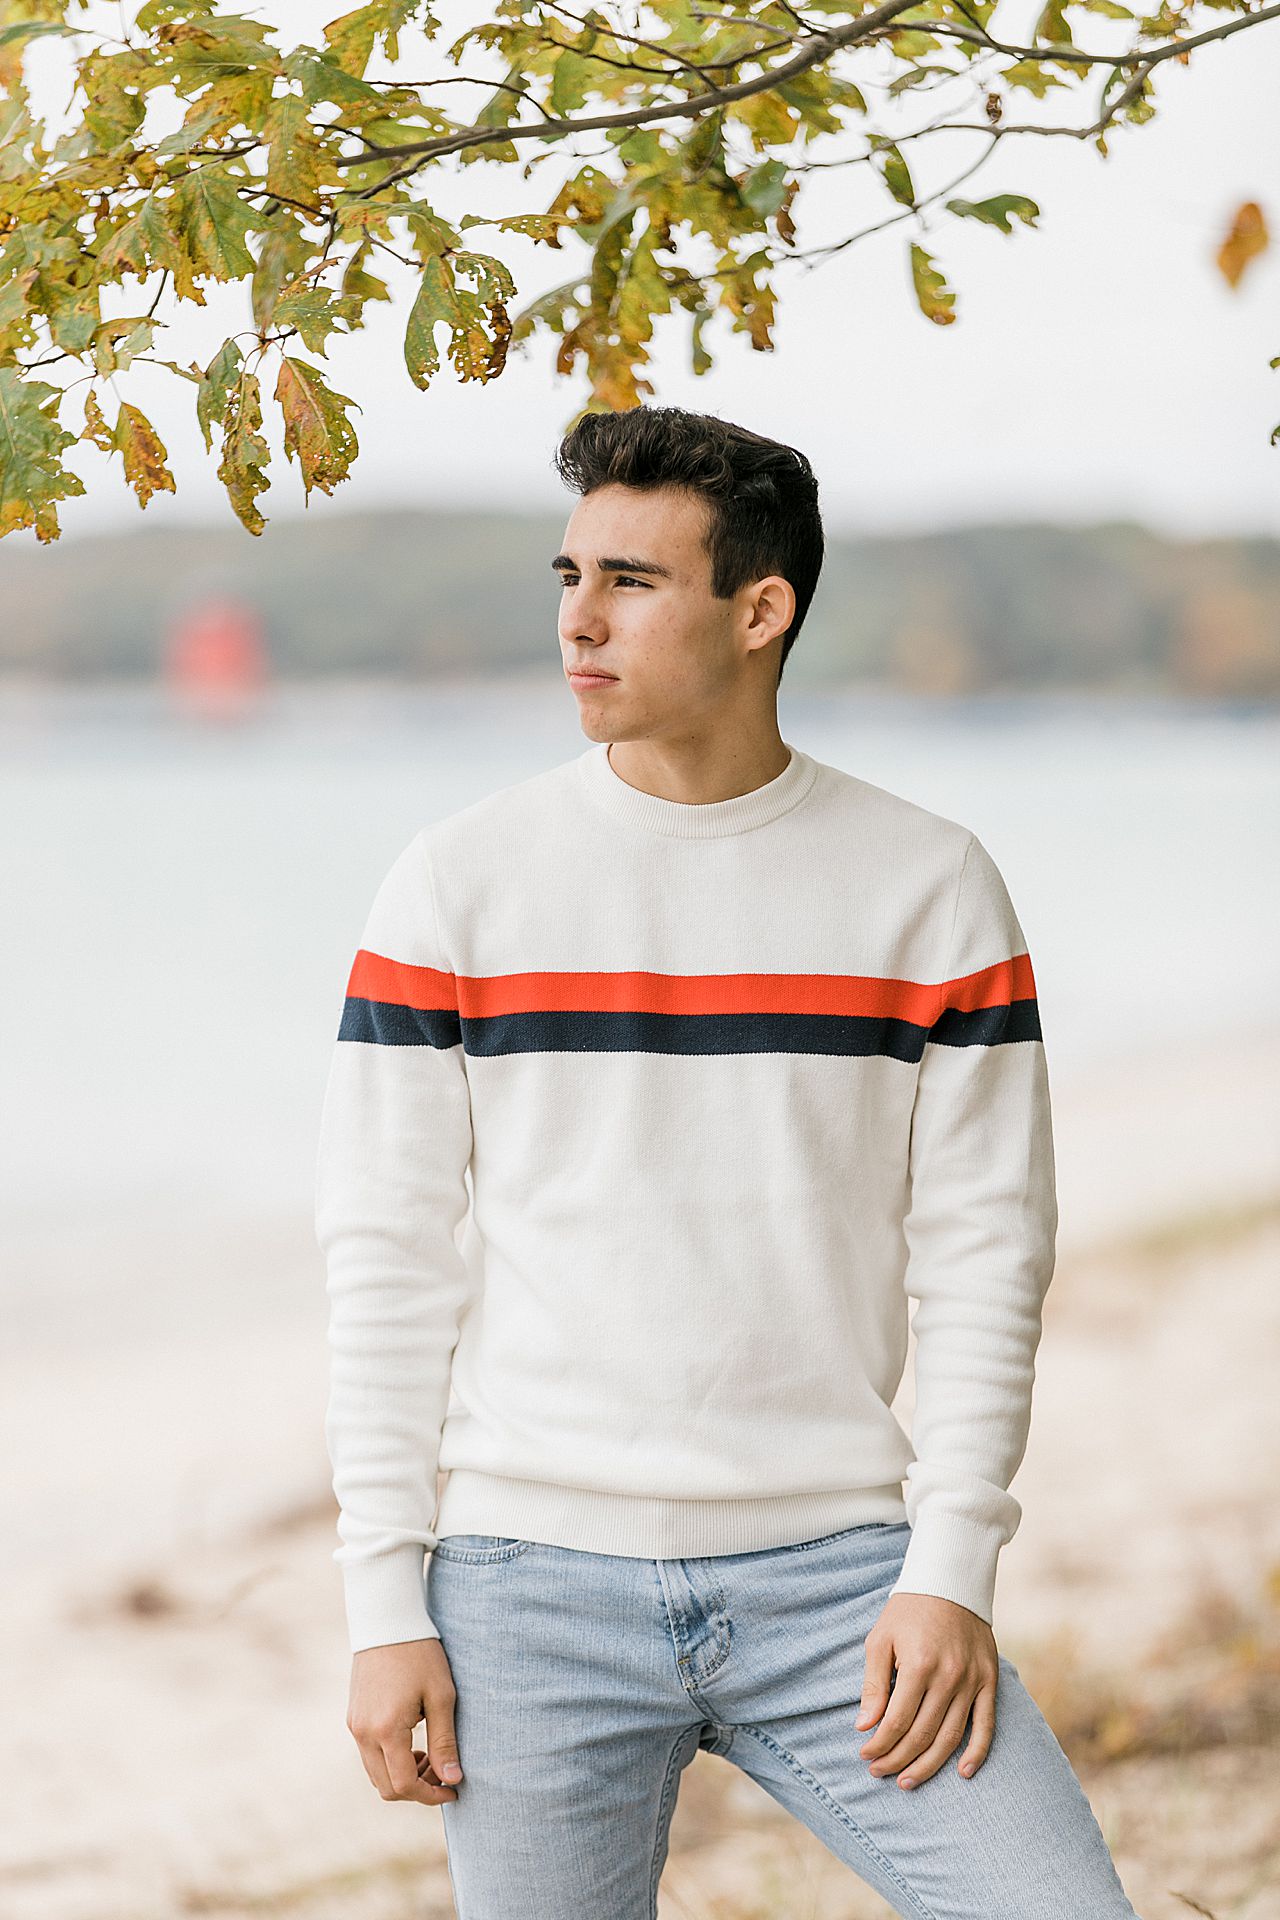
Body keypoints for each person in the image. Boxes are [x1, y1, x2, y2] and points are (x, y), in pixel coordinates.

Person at [314, 404, 1142, 1918]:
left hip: (843, 1581)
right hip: (525, 1591)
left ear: (761, 611)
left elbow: (986, 1254)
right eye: (568, 575)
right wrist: (385, 1602)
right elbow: (385, 1260)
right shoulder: (456, 885)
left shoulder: (930, 886)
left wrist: (951, 1566)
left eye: (630, 582)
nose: (577, 620)